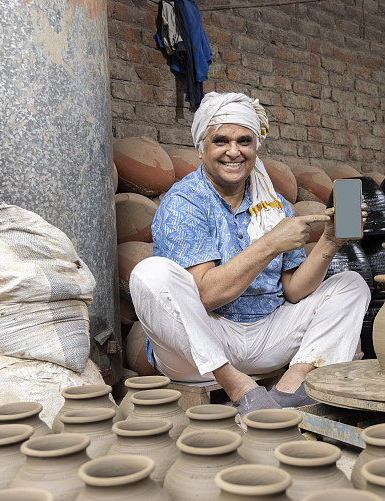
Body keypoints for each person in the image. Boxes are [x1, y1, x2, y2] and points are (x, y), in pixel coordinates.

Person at [130, 91, 370, 415]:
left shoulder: (274, 205)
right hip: (201, 347)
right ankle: (240, 388)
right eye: (221, 141)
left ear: (256, 148)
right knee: (150, 274)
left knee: (351, 285)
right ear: (201, 149)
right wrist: (271, 243)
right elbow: (205, 295)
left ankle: (292, 388)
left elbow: (295, 291)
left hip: (268, 336)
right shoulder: (184, 202)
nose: (234, 152)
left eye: (244, 140)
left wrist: (330, 241)